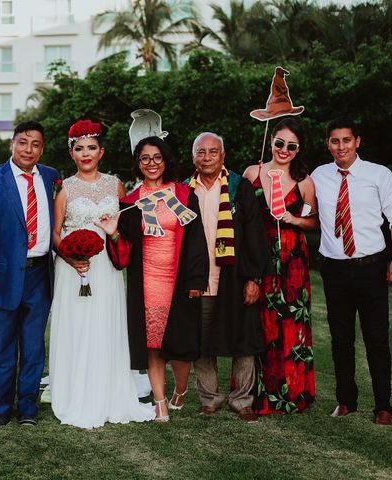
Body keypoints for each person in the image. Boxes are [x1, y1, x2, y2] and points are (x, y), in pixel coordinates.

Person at [49, 120, 155, 428]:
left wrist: (114, 236)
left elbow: (122, 231)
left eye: (91, 148)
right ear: (71, 154)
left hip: (107, 268)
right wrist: (71, 258)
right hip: (74, 270)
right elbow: (55, 235)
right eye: (79, 149)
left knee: (106, 326)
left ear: (101, 151)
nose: (85, 154)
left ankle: (110, 394)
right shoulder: (64, 188)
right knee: (78, 328)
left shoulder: (115, 185)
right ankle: (75, 394)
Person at [100, 135, 208, 422]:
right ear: (138, 163)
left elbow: (197, 240)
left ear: (165, 160)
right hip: (146, 283)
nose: (151, 164)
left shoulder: (185, 195)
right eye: (145, 158)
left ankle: (181, 391)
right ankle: (160, 402)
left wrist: (197, 280)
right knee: (152, 344)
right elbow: (124, 254)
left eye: (157, 157)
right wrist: (113, 232)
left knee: (182, 348)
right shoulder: (131, 203)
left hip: (179, 279)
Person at [0, 121, 60, 427]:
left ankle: (28, 408)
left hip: (39, 274)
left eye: (35, 144)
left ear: (42, 149)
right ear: (12, 144)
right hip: (1, 277)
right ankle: (1, 408)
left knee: (33, 347)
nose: (28, 149)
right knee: (2, 347)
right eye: (22, 142)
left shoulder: (51, 177)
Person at [311, 117, 392, 425]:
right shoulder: (319, 176)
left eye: (346, 140)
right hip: (334, 270)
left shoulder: (378, 174)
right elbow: (307, 212)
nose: (341, 147)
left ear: (357, 141)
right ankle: (346, 401)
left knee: (376, 339)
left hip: (371, 268)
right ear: (328, 144)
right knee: (341, 340)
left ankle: (383, 406)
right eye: (335, 141)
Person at [189, 132, 271, 422]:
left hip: (234, 276)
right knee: (199, 341)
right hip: (199, 277)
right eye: (201, 152)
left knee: (243, 340)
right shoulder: (185, 191)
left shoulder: (240, 188)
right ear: (193, 157)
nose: (207, 157)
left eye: (213, 152)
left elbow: (254, 236)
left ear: (223, 156)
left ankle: (242, 400)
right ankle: (209, 398)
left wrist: (253, 278)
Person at [243, 118, 318, 414]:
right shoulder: (253, 172)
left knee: (290, 321)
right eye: (279, 143)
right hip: (259, 255)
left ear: (299, 149)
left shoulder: (304, 181)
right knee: (260, 322)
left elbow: (314, 221)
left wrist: (294, 219)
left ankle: (292, 392)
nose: (284, 150)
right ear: (271, 140)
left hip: (292, 258)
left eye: (291, 146)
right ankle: (256, 390)